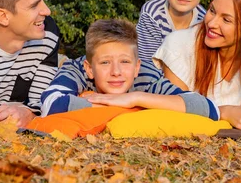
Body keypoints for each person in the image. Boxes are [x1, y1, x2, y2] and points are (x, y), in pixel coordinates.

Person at [153, 0, 241, 129]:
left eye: (226, 20)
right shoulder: (179, 47)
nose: (211, 23)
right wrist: (223, 113)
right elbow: (175, 112)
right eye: (212, 10)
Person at [40, 19, 220, 120]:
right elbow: (50, 105)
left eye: (125, 62)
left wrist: (135, 98)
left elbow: (207, 108)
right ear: (90, 68)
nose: (116, 71)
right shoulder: (76, 70)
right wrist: (117, 104)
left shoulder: (146, 74)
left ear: (136, 67)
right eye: (105, 63)